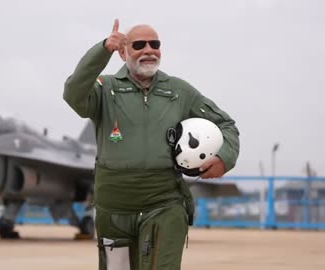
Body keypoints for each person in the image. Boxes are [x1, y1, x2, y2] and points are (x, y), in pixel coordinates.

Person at [63, 19, 240, 270]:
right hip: (114, 211)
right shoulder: (105, 89)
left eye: (154, 44)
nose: (149, 50)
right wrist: (102, 50)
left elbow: (226, 124)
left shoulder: (179, 91)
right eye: (139, 45)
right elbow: (73, 93)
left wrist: (225, 157)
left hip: (163, 204)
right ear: (123, 52)